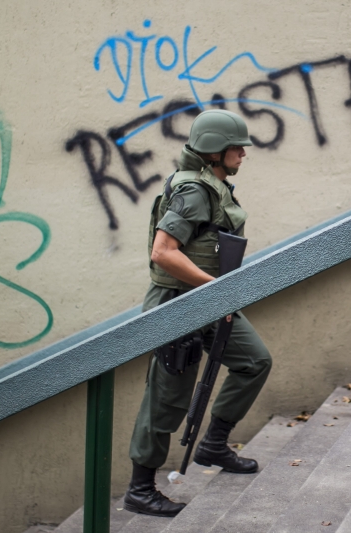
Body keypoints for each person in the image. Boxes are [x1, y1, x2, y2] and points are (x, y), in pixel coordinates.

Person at [123, 110, 273, 517]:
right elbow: (163, 252)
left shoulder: (214, 184)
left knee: (254, 361)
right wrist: (216, 288)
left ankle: (213, 445)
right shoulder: (193, 190)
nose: (243, 153)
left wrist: (216, 294)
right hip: (179, 304)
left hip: (207, 300)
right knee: (168, 397)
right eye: (236, 147)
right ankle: (140, 488)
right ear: (213, 151)